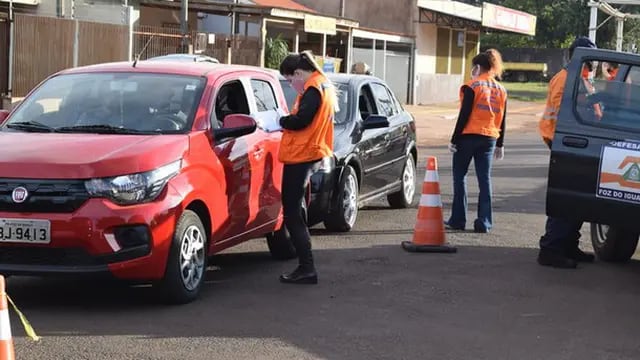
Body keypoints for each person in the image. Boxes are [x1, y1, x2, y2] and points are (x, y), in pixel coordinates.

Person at [537, 36, 598, 269]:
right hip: (566, 143)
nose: (593, 64)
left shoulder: (579, 77)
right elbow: (567, 112)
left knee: (576, 201)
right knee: (566, 198)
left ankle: (568, 244)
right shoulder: (566, 79)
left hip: (575, 142)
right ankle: (551, 249)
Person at [277, 51, 336, 284]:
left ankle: (306, 267)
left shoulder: (313, 89)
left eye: (291, 80)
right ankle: (305, 266)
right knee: (295, 212)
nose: (292, 86)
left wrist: (281, 121)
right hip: (309, 153)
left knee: (292, 214)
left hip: (301, 155)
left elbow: (302, 120)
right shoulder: (323, 85)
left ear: (299, 73)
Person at [444, 49, 507, 234]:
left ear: (478, 67)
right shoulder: (501, 89)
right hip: (489, 138)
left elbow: (464, 115)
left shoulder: (473, 86)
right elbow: (503, 117)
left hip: (468, 136)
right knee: (484, 179)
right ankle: (484, 222)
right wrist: (501, 143)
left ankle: (458, 219)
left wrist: (454, 139)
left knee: (460, 176)